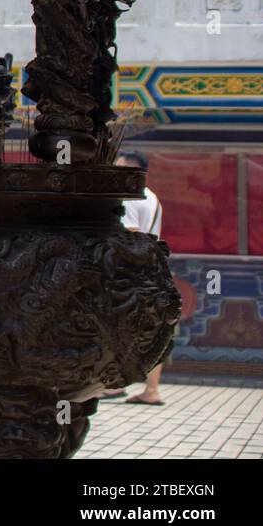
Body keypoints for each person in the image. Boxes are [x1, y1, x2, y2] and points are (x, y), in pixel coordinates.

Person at [117, 149, 166, 405]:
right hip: (153, 269)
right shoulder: (152, 196)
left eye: (119, 166)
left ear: (131, 169)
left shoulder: (128, 196)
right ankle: (152, 390)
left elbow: (131, 235)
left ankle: (109, 383)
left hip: (130, 274)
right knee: (153, 331)